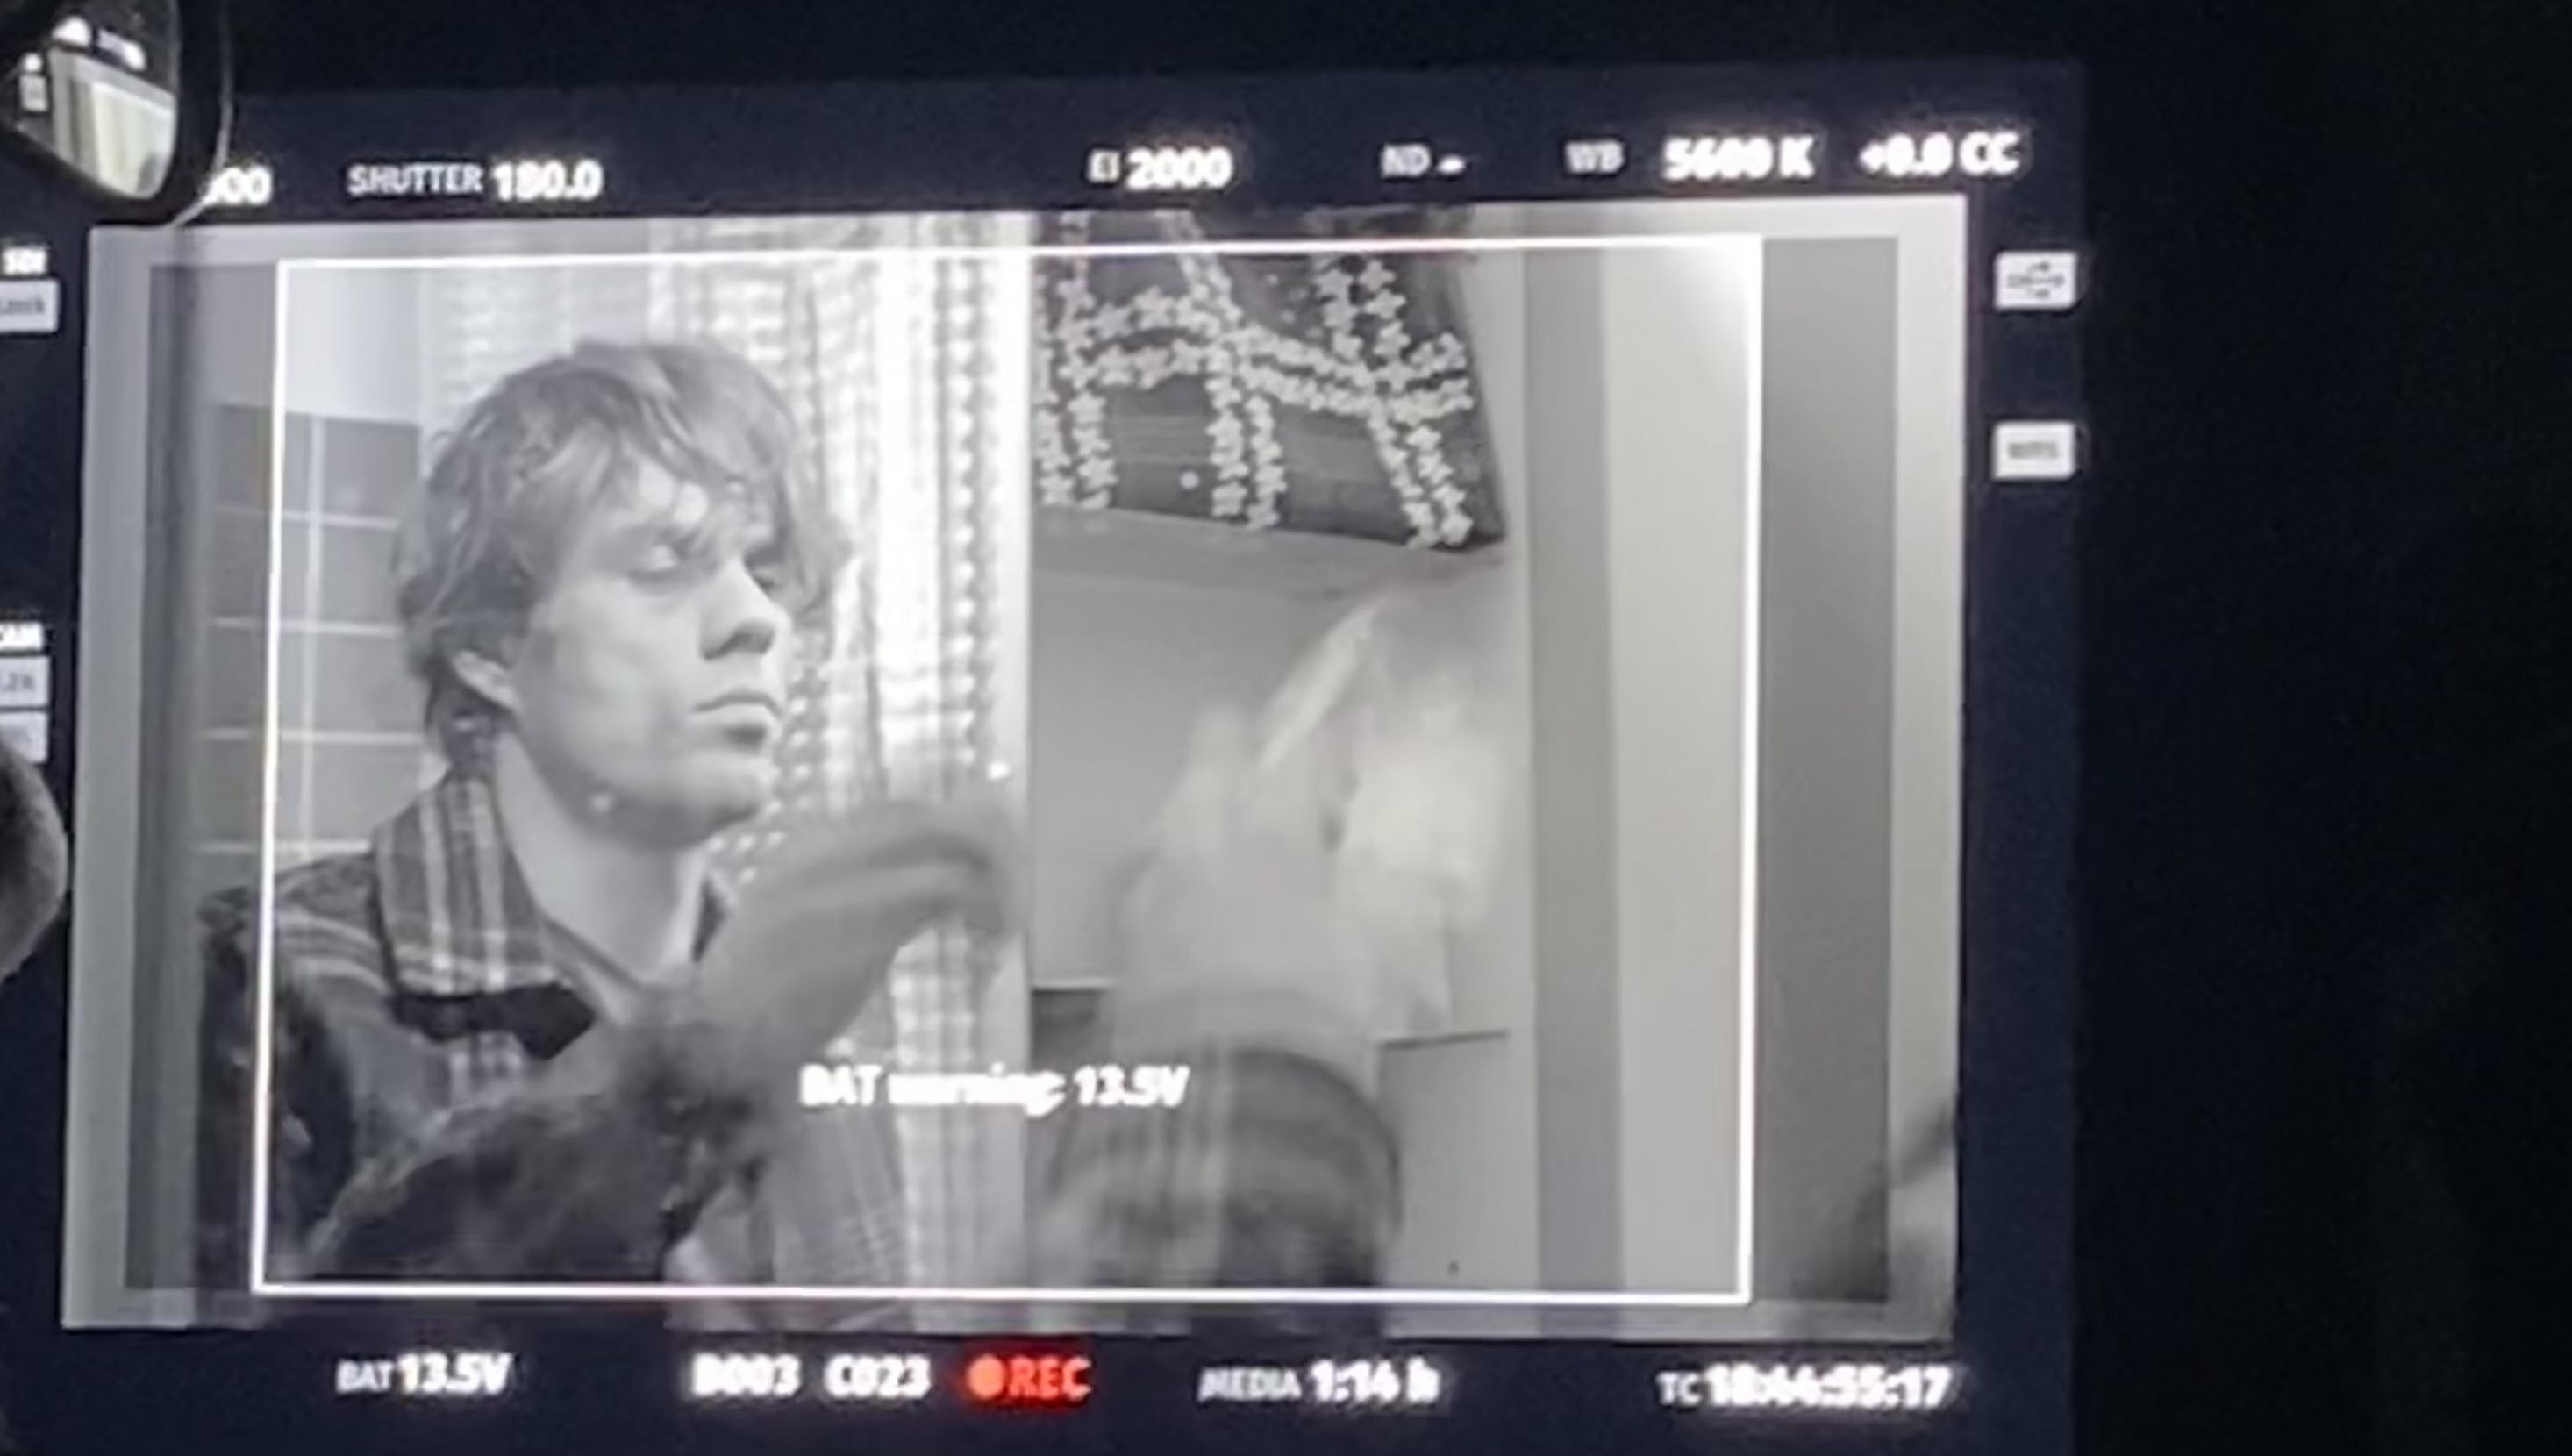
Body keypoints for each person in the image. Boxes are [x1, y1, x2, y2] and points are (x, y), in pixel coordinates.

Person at [193, 339, 1399, 1323]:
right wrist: (696, 1068)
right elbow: (267, 1408)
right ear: (494, 651)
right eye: (664, 565)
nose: (756, 621)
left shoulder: (818, 1030)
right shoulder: (264, 979)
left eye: (769, 572)